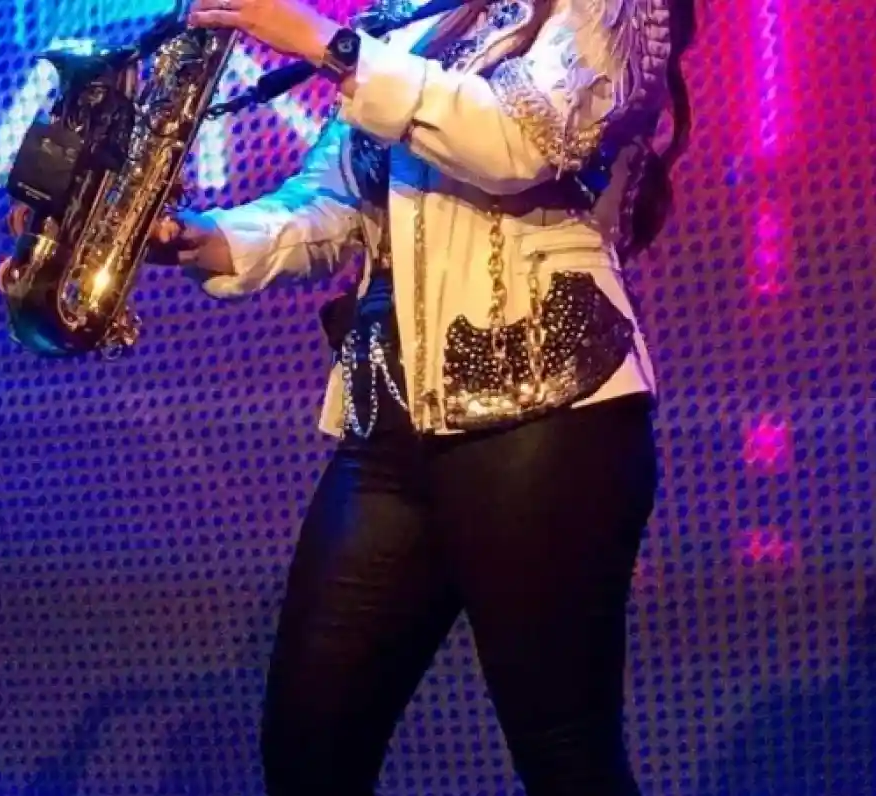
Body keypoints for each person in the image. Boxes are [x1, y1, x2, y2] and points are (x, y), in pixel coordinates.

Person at [154, 0, 692, 792]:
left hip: (546, 414)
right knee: (308, 747)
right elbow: (334, 206)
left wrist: (329, 44)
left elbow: (516, 141)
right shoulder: (416, 21)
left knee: (563, 750)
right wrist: (212, 236)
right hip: (392, 426)